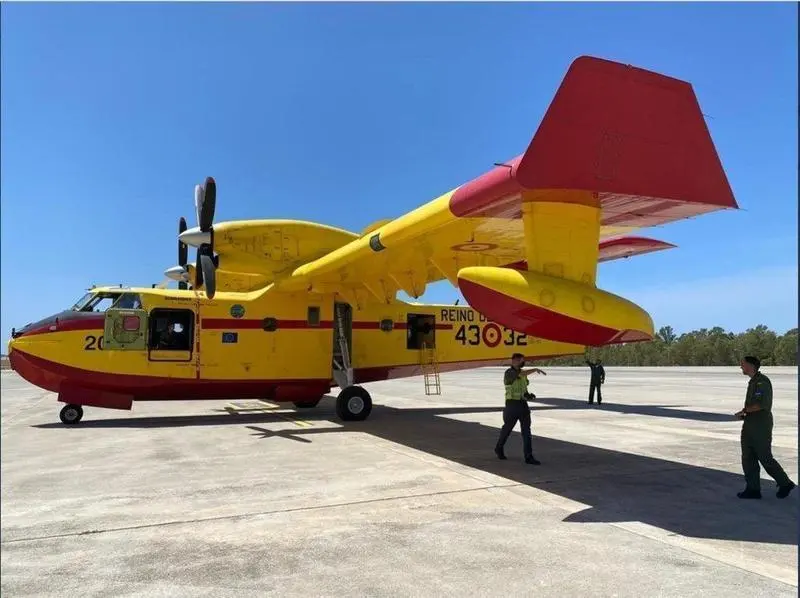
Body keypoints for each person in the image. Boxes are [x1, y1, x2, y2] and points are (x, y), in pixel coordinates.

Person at [734, 355, 795, 499]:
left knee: (765, 457)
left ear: (750, 365)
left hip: (760, 426)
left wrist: (744, 411)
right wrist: (745, 414)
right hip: (750, 424)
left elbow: (761, 405)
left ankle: (785, 483)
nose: (741, 366)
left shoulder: (762, 382)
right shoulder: (753, 382)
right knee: (748, 458)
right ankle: (753, 489)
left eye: (743, 364)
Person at [494, 353, 546, 464]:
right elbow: (520, 374)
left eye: (523, 361)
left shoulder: (523, 375)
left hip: (522, 405)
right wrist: (535, 369)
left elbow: (523, 388)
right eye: (521, 360)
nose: (522, 362)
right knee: (507, 429)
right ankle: (499, 448)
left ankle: (529, 456)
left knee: (526, 431)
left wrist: (528, 395)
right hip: (511, 405)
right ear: (514, 361)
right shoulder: (509, 373)